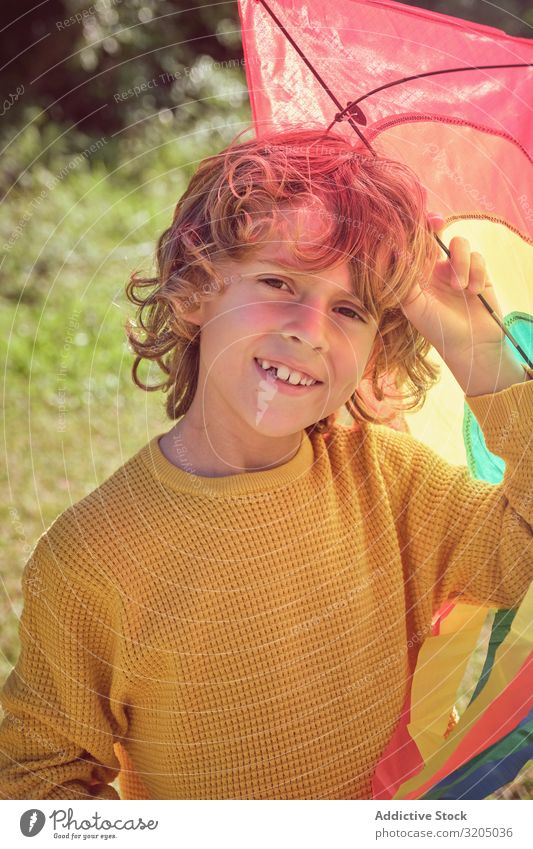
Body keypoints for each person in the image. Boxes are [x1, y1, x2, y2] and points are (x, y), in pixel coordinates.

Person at [0, 127, 530, 801]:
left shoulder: (391, 485)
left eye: (348, 308)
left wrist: (476, 348)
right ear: (195, 290)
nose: (309, 329)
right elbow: (38, 781)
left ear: (372, 353)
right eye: (279, 281)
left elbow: (520, 550)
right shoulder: (90, 557)